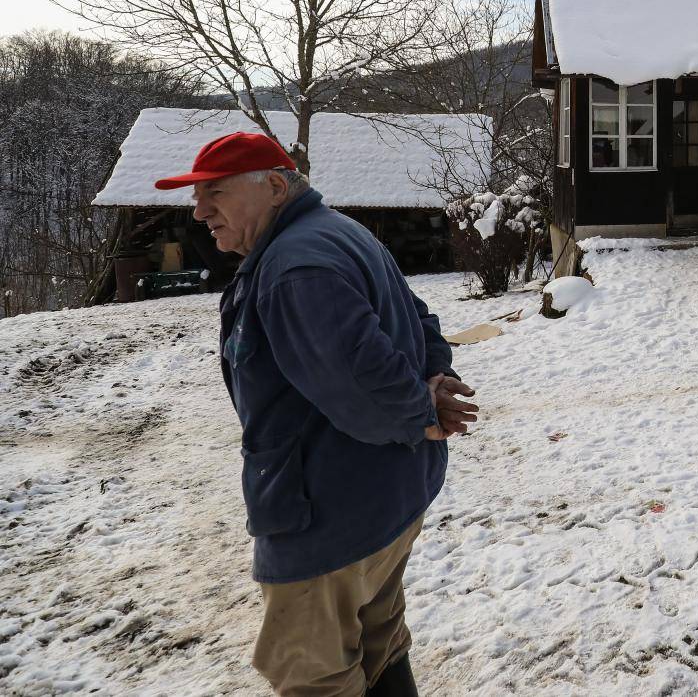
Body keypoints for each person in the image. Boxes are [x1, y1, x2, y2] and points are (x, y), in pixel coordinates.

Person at [154, 131, 478, 697]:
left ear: (275, 187)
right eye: (197, 195)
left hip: (328, 512)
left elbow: (362, 375)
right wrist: (432, 385)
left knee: (312, 675)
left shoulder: (295, 266)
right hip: (387, 496)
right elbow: (419, 319)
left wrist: (417, 412)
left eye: (216, 193)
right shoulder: (335, 232)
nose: (200, 211)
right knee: (377, 642)